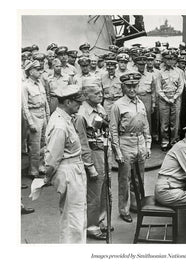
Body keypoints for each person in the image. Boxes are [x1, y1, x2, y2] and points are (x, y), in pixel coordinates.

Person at [44, 84, 87, 243]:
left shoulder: (65, 118)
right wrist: (46, 178)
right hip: (69, 171)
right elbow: (53, 158)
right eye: (77, 102)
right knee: (73, 220)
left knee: (77, 216)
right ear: (67, 102)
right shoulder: (60, 124)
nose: (80, 104)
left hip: (73, 169)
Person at [109, 72, 152, 223]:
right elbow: (113, 130)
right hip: (125, 142)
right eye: (129, 86)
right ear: (123, 87)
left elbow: (146, 125)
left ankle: (137, 204)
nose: (132, 89)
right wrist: (117, 151)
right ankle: (124, 209)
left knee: (139, 177)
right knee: (125, 179)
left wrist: (148, 145)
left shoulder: (140, 103)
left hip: (139, 142)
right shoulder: (118, 105)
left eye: (134, 86)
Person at [73, 84, 112, 240]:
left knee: (104, 190)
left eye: (101, 92)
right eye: (96, 93)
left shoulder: (100, 108)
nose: (100, 95)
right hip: (93, 154)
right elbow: (82, 144)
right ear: (86, 96)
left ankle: (101, 221)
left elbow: (104, 126)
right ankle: (91, 226)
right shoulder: (81, 115)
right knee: (93, 194)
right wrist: (89, 167)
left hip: (103, 152)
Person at [22, 60, 50, 177]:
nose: (39, 72)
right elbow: (24, 107)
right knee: (34, 145)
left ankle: (41, 166)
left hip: (42, 114)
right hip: (33, 115)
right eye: (37, 70)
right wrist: (30, 122)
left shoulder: (40, 84)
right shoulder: (25, 86)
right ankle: (33, 170)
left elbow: (45, 102)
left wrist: (48, 117)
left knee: (44, 143)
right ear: (31, 71)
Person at [158, 50, 184, 151]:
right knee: (164, 123)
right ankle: (165, 142)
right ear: (164, 60)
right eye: (167, 59)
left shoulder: (179, 72)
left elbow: (181, 87)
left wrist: (174, 97)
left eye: (172, 59)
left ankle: (174, 141)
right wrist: (166, 98)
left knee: (175, 123)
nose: (170, 61)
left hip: (176, 99)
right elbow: (158, 88)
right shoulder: (160, 73)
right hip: (163, 99)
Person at [135, 55, 158, 135]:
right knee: (136, 118)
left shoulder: (150, 75)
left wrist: (153, 103)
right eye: (139, 64)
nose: (141, 66)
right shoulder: (134, 75)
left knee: (147, 119)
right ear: (137, 65)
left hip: (147, 98)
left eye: (143, 65)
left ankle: (148, 138)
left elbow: (153, 91)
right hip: (136, 97)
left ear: (145, 65)